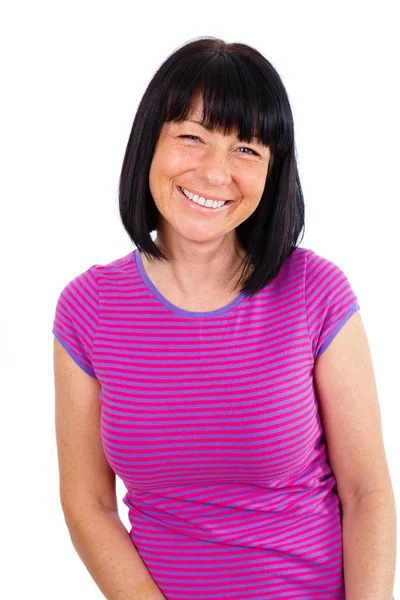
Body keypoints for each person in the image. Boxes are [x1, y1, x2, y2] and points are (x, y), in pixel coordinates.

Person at [52, 37, 396, 600]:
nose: (216, 173)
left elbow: (367, 494)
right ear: (150, 146)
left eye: (247, 150)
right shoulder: (88, 307)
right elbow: (87, 502)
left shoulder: (316, 292)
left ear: (272, 171)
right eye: (192, 137)